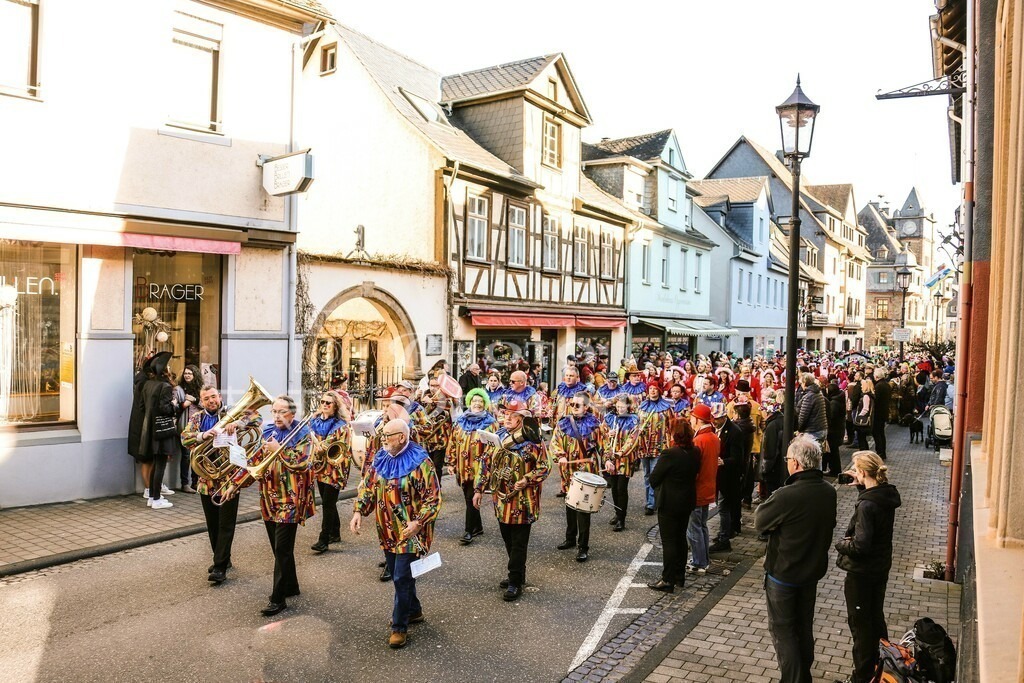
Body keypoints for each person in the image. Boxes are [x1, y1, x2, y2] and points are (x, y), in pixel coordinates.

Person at [351, 418, 442, 649]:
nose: (383, 440)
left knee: (401, 576)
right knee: (398, 574)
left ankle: (399, 627)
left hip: (411, 531)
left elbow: (433, 498)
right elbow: (369, 487)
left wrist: (419, 522)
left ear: (401, 437)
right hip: (386, 529)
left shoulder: (421, 461)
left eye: (387, 436)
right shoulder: (381, 457)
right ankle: (414, 610)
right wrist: (359, 511)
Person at [754, 435, 838, 683]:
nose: (787, 462)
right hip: (811, 571)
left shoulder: (787, 495)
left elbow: (760, 522)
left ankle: (793, 679)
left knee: (783, 631)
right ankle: (804, 676)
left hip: (784, 573)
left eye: (789, 458)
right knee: (803, 627)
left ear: (797, 464)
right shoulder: (828, 491)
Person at [180, 384, 262, 584]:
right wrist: (202, 436)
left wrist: (240, 424)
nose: (211, 401)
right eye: (206, 398)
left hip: (229, 477)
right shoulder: (197, 418)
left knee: (226, 522)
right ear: (201, 401)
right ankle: (223, 558)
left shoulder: (231, 411)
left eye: (214, 397)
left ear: (219, 396)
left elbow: (257, 417)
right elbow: (184, 437)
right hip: (206, 478)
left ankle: (219, 566)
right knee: (213, 523)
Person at [473, 399, 550, 601]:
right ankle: (518, 574)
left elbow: (545, 467)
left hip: (523, 500)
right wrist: (479, 489)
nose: (507, 417)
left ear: (522, 419)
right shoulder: (497, 436)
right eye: (506, 413)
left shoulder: (534, 441)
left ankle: (514, 581)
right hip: (502, 500)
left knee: (519, 543)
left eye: (513, 415)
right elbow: (485, 463)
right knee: (507, 538)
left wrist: (527, 479)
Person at [835, 451, 902, 683]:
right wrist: (862, 487)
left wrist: (840, 544)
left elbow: (861, 545)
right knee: (875, 618)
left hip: (861, 573)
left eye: (856, 468)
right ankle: (882, 667)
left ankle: (861, 677)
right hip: (880, 567)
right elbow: (875, 517)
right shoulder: (885, 495)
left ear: (862, 471)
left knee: (861, 627)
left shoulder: (867, 505)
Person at [256, 395, 316, 617]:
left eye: (281, 412)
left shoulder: (303, 433)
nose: (277, 416)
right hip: (269, 497)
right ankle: (291, 585)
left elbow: (302, 462)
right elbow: (258, 460)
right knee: (277, 547)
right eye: (274, 411)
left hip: (291, 499)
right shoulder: (268, 431)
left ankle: (278, 598)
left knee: (282, 548)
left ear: (292, 413)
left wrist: (277, 449)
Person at [549, 392, 605, 562]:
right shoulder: (563, 423)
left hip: (587, 470)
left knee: (583, 508)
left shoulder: (595, 425)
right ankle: (570, 538)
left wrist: (608, 460)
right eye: (572, 404)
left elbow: (604, 445)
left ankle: (583, 546)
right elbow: (554, 442)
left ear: (586, 407)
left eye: (578, 405)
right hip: (569, 471)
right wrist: (560, 455)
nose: (573, 407)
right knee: (570, 505)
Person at [647, 420, 702, 593]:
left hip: (669, 501)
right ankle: (679, 576)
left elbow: (654, 478)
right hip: (686, 500)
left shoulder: (669, 454)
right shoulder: (695, 452)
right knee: (680, 538)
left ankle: (667, 579)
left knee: (669, 541)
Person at [445, 388, 497, 545]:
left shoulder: (490, 423)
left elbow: (493, 446)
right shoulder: (461, 421)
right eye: (474, 401)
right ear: (469, 402)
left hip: (480, 468)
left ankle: (468, 531)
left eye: (480, 401)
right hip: (462, 467)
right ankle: (478, 526)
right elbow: (453, 442)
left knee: (470, 497)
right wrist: (451, 462)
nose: (477, 404)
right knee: (469, 497)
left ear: (485, 403)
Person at [309, 391, 352, 554]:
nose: (325, 405)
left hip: (335, 468)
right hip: (320, 467)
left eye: (329, 403)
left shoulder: (341, 425)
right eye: (322, 402)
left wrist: (321, 446)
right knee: (329, 502)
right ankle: (335, 532)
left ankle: (324, 539)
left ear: (335, 406)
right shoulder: (314, 421)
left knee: (327, 503)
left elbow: (341, 446)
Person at [140, 352, 178, 509]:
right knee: (160, 464)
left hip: (150, 429)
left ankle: (152, 497)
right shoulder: (166, 386)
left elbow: (143, 407)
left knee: (156, 463)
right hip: (162, 430)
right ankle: (156, 499)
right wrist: (174, 405)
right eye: (168, 366)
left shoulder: (148, 384)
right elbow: (165, 408)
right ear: (164, 370)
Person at [709, 401, 748, 553]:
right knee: (724, 506)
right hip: (720, 475)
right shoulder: (717, 428)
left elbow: (738, 457)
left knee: (724, 508)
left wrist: (723, 461)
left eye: (717, 418)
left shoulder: (734, 432)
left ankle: (724, 538)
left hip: (728, 476)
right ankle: (723, 534)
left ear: (724, 417)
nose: (714, 420)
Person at [687, 403, 719, 574]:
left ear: (698, 420)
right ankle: (703, 559)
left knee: (694, 528)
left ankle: (699, 562)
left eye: (692, 417)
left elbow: (695, 469)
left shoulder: (699, 440)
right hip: (708, 487)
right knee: (702, 525)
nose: (690, 420)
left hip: (698, 490)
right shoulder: (713, 437)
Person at [602, 395, 642, 531]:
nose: (619, 409)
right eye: (618, 406)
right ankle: (617, 513)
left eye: (622, 407)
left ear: (628, 406)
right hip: (612, 457)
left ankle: (622, 518)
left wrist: (620, 453)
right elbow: (602, 435)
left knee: (621, 488)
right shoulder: (610, 418)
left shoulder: (633, 420)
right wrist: (608, 434)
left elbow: (633, 440)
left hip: (625, 459)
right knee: (613, 487)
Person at [638, 383, 675, 516]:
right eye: (650, 389)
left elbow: (672, 425)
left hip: (659, 445)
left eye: (655, 389)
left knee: (655, 474)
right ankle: (649, 499)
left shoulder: (666, 408)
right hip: (644, 445)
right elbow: (637, 424)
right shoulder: (642, 406)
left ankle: (651, 504)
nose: (652, 391)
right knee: (647, 474)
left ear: (659, 391)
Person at [175, 364, 203, 492]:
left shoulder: (201, 389)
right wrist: (184, 404)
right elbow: (175, 406)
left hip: (199, 426)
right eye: (185, 373)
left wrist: (195, 400)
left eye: (190, 373)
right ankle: (184, 483)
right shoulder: (180, 389)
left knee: (196, 455)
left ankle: (195, 482)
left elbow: (206, 404)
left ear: (195, 375)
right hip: (185, 426)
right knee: (186, 455)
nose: (187, 375)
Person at [795, 373, 828, 445]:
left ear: (805, 382)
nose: (801, 385)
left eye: (801, 383)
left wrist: (799, 429)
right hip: (821, 428)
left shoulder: (809, 396)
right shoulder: (818, 393)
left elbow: (803, 416)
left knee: (809, 454)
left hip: (812, 431)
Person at [824, 382, 846, 476]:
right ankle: (835, 469)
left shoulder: (834, 403)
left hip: (834, 430)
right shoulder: (839, 399)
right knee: (834, 451)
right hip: (838, 429)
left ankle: (834, 470)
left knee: (832, 452)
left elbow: (832, 417)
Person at [871, 368, 891, 460]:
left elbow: (876, 399)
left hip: (878, 413)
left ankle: (880, 452)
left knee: (877, 433)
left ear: (877, 376)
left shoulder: (879, 386)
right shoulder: (886, 385)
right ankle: (882, 452)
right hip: (884, 412)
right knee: (881, 433)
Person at [853, 378, 875, 452]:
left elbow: (865, 409)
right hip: (865, 420)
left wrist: (859, 416)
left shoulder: (866, 396)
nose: (861, 387)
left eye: (862, 385)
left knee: (861, 439)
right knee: (862, 439)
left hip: (863, 421)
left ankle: (864, 453)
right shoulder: (870, 396)